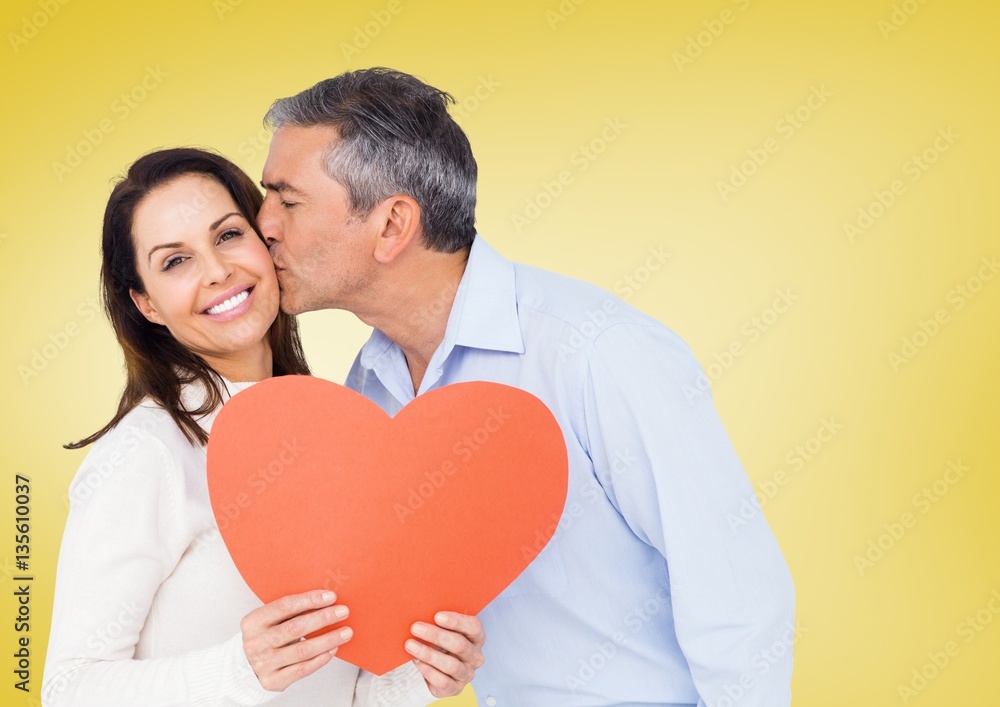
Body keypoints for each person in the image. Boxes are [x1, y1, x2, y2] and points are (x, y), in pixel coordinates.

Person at [256, 68, 797, 706]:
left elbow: (736, 594)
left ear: (392, 225)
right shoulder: (371, 385)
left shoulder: (596, 351)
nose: (263, 224)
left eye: (287, 200)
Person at [42, 148, 485, 706]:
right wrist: (240, 669)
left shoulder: (334, 434)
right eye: (174, 262)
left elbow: (345, 692)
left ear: (267, 241)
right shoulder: (147, 451)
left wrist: (418, 673)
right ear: (146, 303)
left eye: (228, 235)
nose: (218, 271)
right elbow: (69, 687)